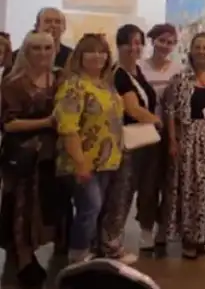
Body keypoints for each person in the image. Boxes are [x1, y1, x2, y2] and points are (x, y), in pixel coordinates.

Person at [55, 34, 124, 264]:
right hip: (82, 160)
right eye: (91, 51)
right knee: (89, 209)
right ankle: (77, 256)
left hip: (106, 160)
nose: (98, 56)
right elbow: (68, 127)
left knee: (97, 209)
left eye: (102, 51)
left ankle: (91, 254)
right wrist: (80, 162)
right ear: (80, 56)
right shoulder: (74, 86)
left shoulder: (106, 85)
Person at [0, 32, 62, 287]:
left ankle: (34, 253)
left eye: (47, 47)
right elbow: (9, 124)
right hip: (20, 155)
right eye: (36, 48)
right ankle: (24, 259)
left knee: (42, 208)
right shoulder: (13, 84)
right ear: (26, 51)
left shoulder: (59, 79)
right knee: (20, 207)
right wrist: (47, 122)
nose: (43, 53)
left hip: (49, 157)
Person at [100, 24, 160, 263]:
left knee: (130, 191)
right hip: (127, 143)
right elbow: (133, 109)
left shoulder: (136, 71)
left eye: (138, 43)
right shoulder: (119, 74)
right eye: (130, 43)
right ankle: (110, 244)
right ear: (119, 45)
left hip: (141, 143)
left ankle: (111, 240)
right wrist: (158, 122)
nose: (135, 48)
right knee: (121, 194)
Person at [164, 32, 205, 259]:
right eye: (198, 47)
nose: (201, 51)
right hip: (189, 138)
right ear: (191, 49)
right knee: (190, 187)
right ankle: (189, 237)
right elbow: (170, 111)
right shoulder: (180, 79)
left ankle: (203, 235)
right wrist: (173, 140)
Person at [138, 23, 181, 250]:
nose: (165, 45)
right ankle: (146, 229)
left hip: (171, 133)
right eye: (162, 41)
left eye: (170, 42)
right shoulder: (140, 68)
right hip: (146, 132)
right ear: (153, 41)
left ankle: (163, 228)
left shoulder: (178, 69)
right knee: (148, 184)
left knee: (169, 183)